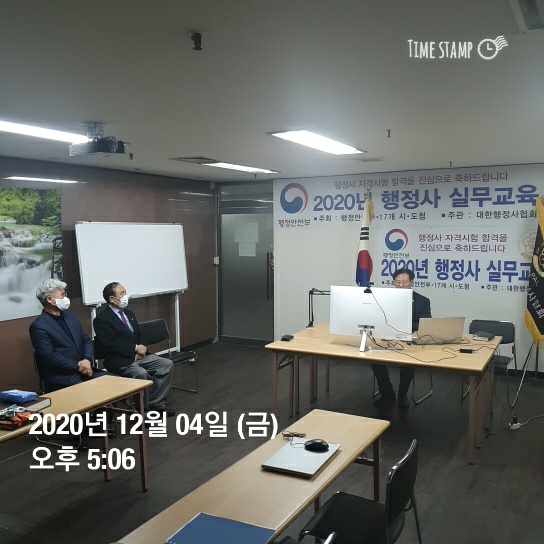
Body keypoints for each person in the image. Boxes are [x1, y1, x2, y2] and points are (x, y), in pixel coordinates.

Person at [93, 282, 175, 416]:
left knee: (166, 364)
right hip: (120, 361)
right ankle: (144, 412)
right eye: (122, 293)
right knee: (141, 373)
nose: (126, 296)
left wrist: (142, 349)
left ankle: (156, 405)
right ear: (112, 299)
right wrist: (135, 349)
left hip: (140, 356)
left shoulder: (129, 313)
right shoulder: (101, 320)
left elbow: (140, 334)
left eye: (125, 292)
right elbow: (110, 344)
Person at [29, 278, 106, 393]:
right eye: (62, 295)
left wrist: (87, 360)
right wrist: (79, 365)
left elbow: (86, 340)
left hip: (85, 370)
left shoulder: (71, 317)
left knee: (114, 383)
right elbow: (49, 356)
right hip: (63, 377)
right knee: (93, 392)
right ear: (49, 299)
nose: (65, 298)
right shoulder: (39, 326)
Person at [371, 268, 431, 410]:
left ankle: (402, 395)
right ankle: (387, 392)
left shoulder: (422, 301)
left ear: (412, 282)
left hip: (410, 338)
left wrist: (403, 324)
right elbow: (378, 318)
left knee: (408, 362)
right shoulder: (385, 298)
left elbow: (425, 323)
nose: (401, 285)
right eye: (397, 282)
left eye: (404, 282)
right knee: (374, 359)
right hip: (388, 336)